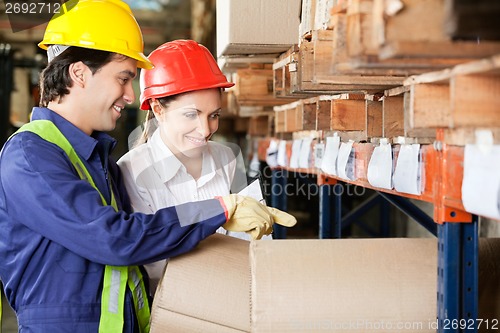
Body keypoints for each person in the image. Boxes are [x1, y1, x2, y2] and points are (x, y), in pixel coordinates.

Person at [0, 1, 296, 332]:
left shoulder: (95, 158)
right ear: (79, 72)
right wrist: (219, 210)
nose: (130, 95)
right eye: (124, 78)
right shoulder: (31, 155)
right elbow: (116, 238)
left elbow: (137, 245)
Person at [117, 40, 272, 295]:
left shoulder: (227, 158)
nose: (206, 129)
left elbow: (256, 244)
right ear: (158, 109)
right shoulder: (133, 170)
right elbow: (154, 263)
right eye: (191, 115)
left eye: (214, 115)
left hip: (234, 296)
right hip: (171, 310)